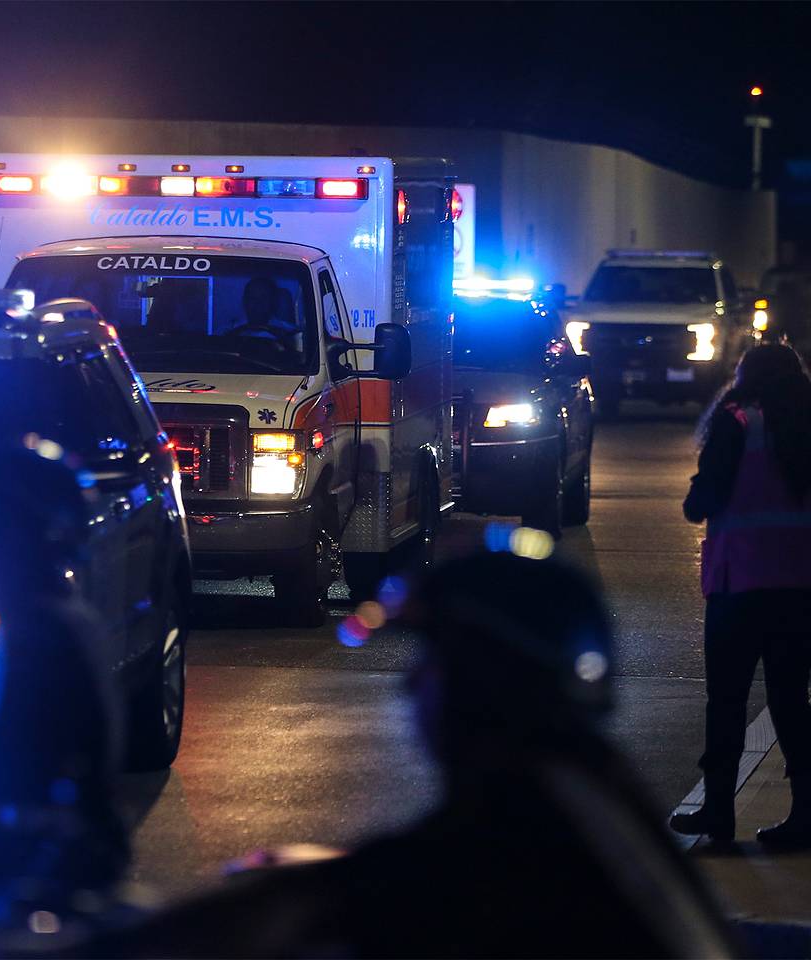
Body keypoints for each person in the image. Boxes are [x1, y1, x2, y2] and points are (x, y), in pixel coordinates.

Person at [87, 553, 736, 958]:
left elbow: (347, 899)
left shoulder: (521, 822)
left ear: (485, 678)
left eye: (432, 661)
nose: (410, 685)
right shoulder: (585, 785)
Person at [671, 343, 811, 849]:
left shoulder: (736, 423)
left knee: (727, 701)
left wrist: (700, 488)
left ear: (746, 377)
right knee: (790, 701)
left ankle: (718, 814)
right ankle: (805, 815)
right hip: (799, 588)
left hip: (740, 586)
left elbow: (700, 503)